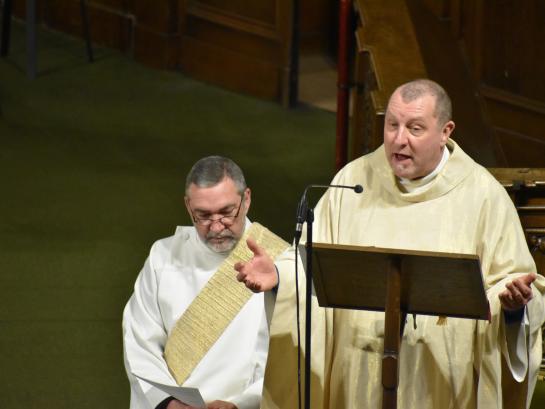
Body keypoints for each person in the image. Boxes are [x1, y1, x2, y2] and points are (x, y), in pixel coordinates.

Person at [236, 80, 545, 408]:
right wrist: (281, 276)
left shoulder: (483, 196)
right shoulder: (354, 181)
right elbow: (316, 258)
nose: (399, 140)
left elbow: (518, 287)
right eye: (392, 125)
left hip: (435, 379)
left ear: (445, 131)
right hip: (357, 370)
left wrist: (513, 309)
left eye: (415, 128)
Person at [123, 156, 289, 409]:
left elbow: (292, 356)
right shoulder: (163, 256)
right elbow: (139, 340)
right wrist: (168, 403)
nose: (216, 226)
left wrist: (242, 403)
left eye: (226, 212)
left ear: (246, 199)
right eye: (203, 215)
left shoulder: (280, 263)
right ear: (188, 206)